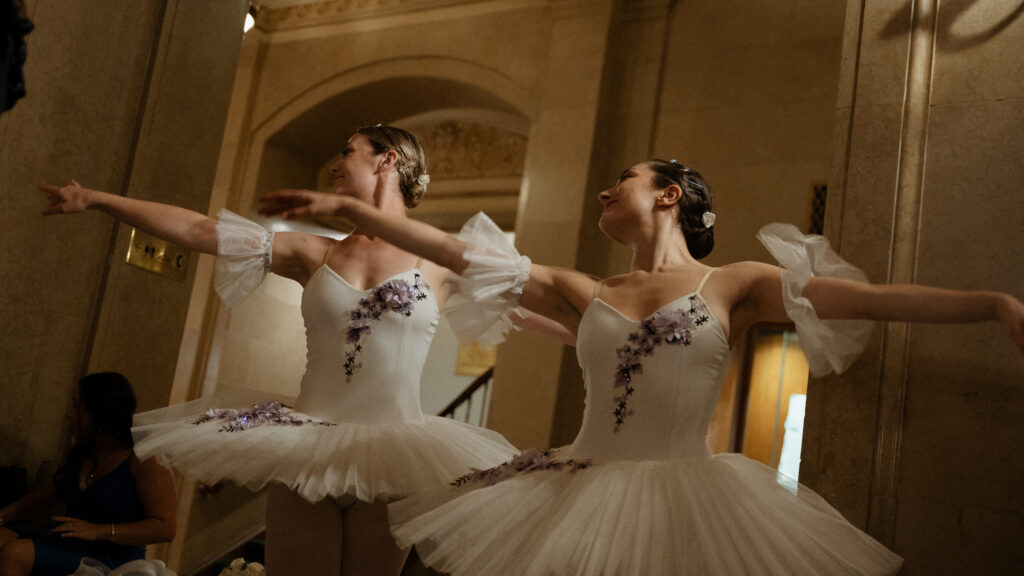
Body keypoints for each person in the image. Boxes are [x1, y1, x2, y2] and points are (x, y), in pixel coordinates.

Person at [260, 158, 1024, 575]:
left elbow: (873, 300)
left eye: (619, 178)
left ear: (668, 195)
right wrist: (359, 216)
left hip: (689, 497)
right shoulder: (583, 289)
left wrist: (993, 304)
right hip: (576, 493)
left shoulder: (735, 285)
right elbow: (460, 254)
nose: (602, 187)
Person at [37, 125, 525, 576]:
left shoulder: (440, 261)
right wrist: (97, 199)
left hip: (396, 456)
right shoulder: (315, 251)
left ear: (386, 160)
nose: (335, 165)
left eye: (347, 152)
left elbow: (542, 292)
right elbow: (199, 231)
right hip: (306, 449)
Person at [0, 372, 177, 576]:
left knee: (16, 554)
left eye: (76, 405)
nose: (68, 414)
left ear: (98, 412)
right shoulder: (86, 452)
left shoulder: (144, 458)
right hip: (69, 542)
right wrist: (2, 516)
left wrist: (98, 530)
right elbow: (40, 499)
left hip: (111, 556)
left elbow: (166, 528)